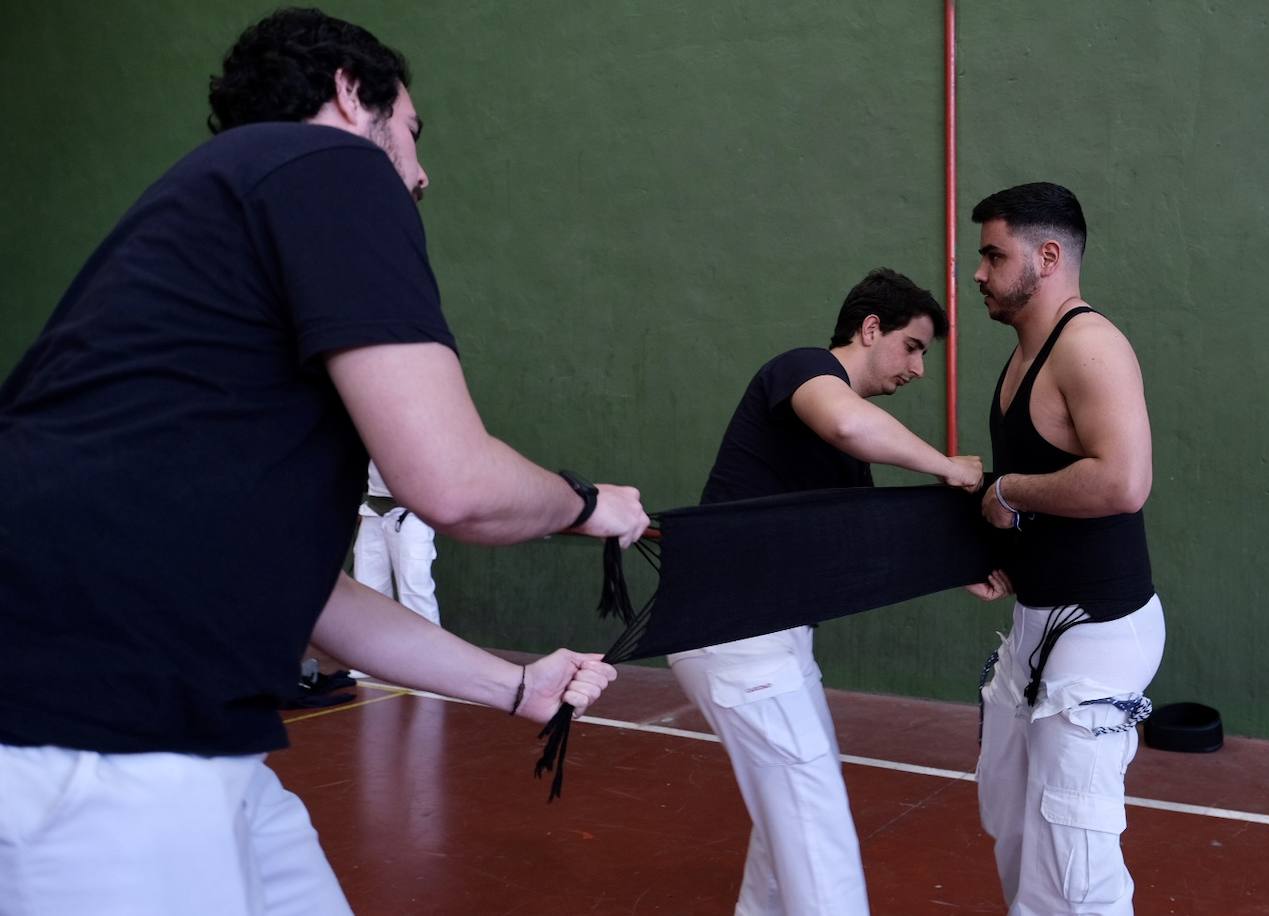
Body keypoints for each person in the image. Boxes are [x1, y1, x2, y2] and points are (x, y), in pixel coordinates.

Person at [0, 9, 649, 914]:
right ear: (351, 91)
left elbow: (307, 594)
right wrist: (588, 505)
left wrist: (516, 687)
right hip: (88, 740)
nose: (420, 175)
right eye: (414, 134)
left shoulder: (224, 264)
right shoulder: (330, 166)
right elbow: (454, 483)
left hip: (185, 738)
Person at [668, 268, 989, 916]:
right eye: (914, 346)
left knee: (792, 816)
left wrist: (962, 564)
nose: (919, 369)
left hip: (773, 638)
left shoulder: (848, 461)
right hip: (734, 634)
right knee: (816, 829)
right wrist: (948, 465)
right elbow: (848, 424)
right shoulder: (803, 368)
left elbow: (868, 545)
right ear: (871, 328)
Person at [970, 182, 1164, 915]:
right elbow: (1046, 487)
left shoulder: (1089, 347)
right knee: (1014, 824)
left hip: (1099, 632)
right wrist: (1004, 558)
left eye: (994, 254)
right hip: (1038, 624)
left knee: (1073, 858)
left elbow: (1123, 481)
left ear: (1047, 257)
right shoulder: (1024, 355)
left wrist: (1010, 493)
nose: (980, 272)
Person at [354, 459, 441, 626]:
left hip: (412, 513)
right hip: (373, 511)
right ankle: (375, 649)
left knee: (414, 590)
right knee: (368, 590)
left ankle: (428, 651)